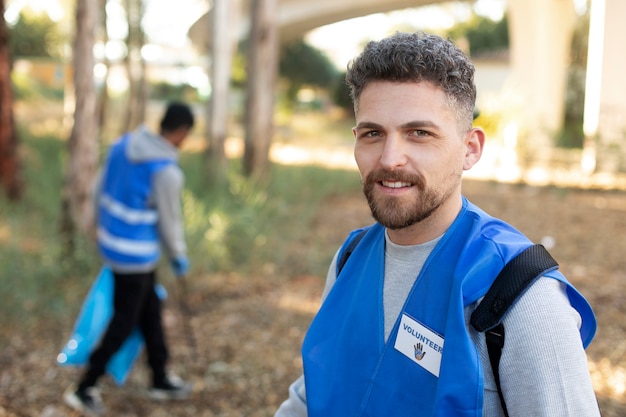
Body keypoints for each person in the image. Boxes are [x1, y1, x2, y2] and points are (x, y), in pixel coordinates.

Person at [274, 32, 600, 417]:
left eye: (419, 134)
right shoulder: (349, 260)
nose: (391, 158)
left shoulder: (522, 296)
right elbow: (313, 395)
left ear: (470, 149)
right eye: (373, 133)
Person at [64, 102, 195, 415]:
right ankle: (85, 387)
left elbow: (98, 188)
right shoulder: (166, 171)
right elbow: (169, 220)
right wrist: (178, 255)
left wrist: (94, 227)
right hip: (135, 255)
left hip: (113, 244)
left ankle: (159, 377)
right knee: (124, 321)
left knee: (150, 308)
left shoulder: (123, 145)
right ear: (181, 133)